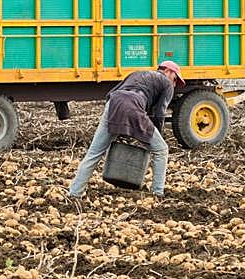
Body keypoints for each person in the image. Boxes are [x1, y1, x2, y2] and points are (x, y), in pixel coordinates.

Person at [69, 61, 184, 198]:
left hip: (113, 103)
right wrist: (157, 133)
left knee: (94, 153)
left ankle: (74, 193)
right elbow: (160, 113)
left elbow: (110, 94)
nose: (175, 84)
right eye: (175, 79)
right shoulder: (166, 83)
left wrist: (116, 125)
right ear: (167, 71)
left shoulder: (137, 73)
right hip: (133, 104)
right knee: (161, 149)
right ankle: (158, 193)